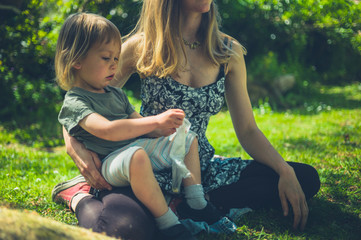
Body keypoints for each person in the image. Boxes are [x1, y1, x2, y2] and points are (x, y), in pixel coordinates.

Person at [52, 1, 320, 239]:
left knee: (304, 178)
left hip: (199, 170)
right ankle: (79, 195)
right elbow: (81, 98)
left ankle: (190, 203)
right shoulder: (142, 46)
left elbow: (248, 129)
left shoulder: (228, 51)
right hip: (146, 166)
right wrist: (73, 146)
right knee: (124, 229)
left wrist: (285, 170)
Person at [53, 12, 234, 240]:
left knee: (188, 138)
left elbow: (138, 122)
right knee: (137, 156)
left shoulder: (114, 93)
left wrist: (164, 128)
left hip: (134, 150)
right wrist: (155, 121)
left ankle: (196, 202)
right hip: (110, 161)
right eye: (106, 58)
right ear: (76, 61)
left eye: (116, 59)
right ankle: (168, 223)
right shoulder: (75, 101)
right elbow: (107, 130)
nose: (114, 65)